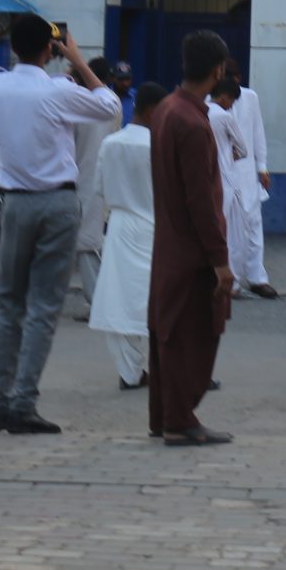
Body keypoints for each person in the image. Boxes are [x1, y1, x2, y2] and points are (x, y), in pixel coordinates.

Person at [0, 16, 120, 434]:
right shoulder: (59, 90)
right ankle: (24, 403)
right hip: (56, 203)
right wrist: (77, 59)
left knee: (10, 305)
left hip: (14, 204)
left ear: (13, 48)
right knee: (42, 307)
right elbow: (109, 106)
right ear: (50, 50)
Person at [142, 30, 236, 445]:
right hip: (193, 251)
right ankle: (179, 420)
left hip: (169, 243)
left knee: (168, 332)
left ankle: (165, 415)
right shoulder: (193, 123)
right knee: (191, 336)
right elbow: (202, 201)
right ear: (218, 71)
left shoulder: (166, 109)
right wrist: (220, 261)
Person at [88, 97, 159, 389]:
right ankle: (164, 369)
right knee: (154, 299)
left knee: (121, 301)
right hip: (152, 226)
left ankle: (130, 372)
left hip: (118, 226)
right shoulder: (158, 146)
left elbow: (99, 188)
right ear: (152, 111)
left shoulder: (110, 143)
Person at [208, 61, 277, 299]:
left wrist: (262, 166)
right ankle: (231, 279)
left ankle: (257, 278)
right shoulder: (208, 103)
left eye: (235, 76)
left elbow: (258, 132)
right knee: (227, 228)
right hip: (222, 173)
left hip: (247, 172)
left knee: (253, 224)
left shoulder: (249, 97)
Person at [69, 56, 133, 315]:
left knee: (87, 241)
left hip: (85, 178)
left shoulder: (83, 103)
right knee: (95, 240)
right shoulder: (112, 102)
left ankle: (98, 301)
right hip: (107, 177)